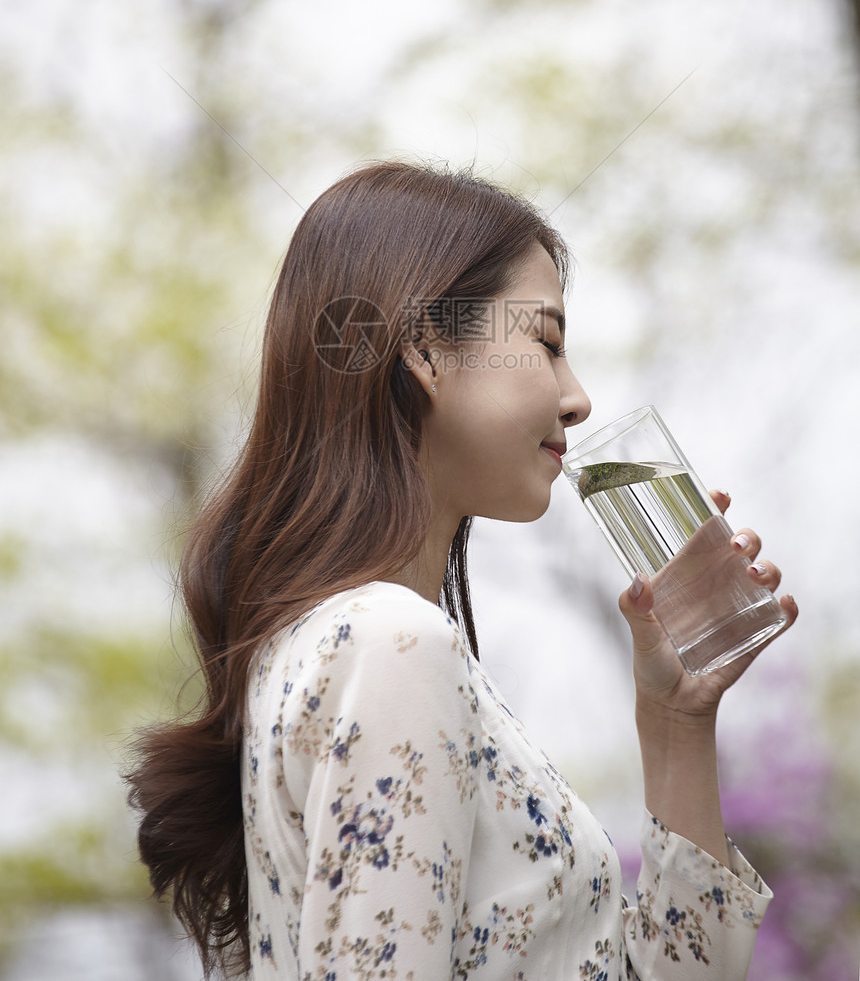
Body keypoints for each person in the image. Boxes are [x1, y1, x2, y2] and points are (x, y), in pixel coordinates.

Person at [126, 157, 798, 980]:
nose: (578, 396)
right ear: (424, 350)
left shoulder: (344, 647)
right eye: (545, 341)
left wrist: (676, 725)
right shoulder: (391, 643)